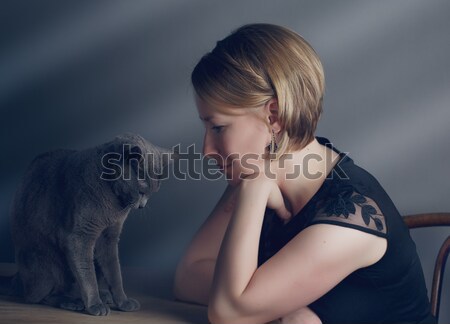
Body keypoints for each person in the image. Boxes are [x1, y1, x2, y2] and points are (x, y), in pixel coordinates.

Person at [173, 23, 436, 324]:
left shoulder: (351, 214)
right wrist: (275, 307)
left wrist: (254, 189)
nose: (206, 149)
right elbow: (189, 276)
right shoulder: (257, 170)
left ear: (274, 116)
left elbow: (228, 313)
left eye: (218, 127)